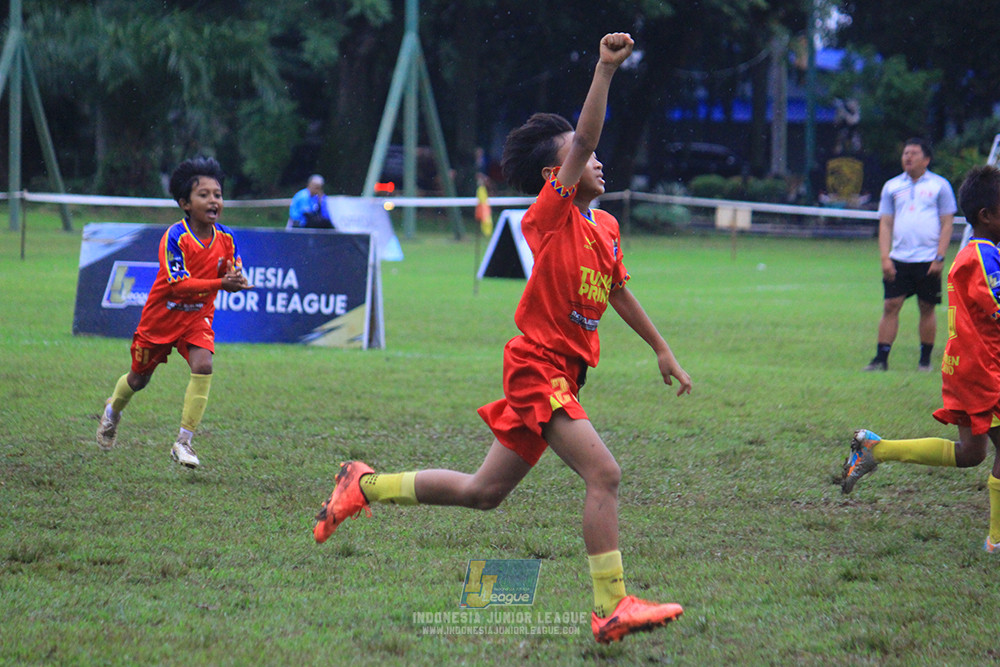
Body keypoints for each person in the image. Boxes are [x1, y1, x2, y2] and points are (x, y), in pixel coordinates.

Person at [311, 33, 693, 644]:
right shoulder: (551, 214)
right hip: (536, 367)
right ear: (555, 174)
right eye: (579, 154)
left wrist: (661, 348)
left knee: (483, 492)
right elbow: (588, 137)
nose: (596, 159)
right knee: (606, 475)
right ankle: (611, 606)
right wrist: (603, 69)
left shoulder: (609, 226)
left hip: (562, 375)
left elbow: (618, 292)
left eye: (590, 154)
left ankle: (364, 484)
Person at [843, 165, 1000, 552]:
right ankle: (996, 539)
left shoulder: (981, 254)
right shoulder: (982, 257)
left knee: (971, 454)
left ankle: (876, 449)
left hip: (969, 368)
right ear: (986, 216)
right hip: (984, 370)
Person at [96, 156, 253, 468]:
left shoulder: (226, 238)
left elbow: (232, 267)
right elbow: (179, 285)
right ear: (185, 203)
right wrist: (222, 282)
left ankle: (184, 443)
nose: (213, 200)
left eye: (218, 195)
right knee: (139, 380)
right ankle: (112, 412)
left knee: (203, 364)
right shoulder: (175, 237)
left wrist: (237, 276)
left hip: (197, 317)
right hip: (161, 318)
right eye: (204, 194)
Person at [865, 138, 957, 371]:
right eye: (906, 153)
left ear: (926, 159)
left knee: (927, 307)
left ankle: (925, 361)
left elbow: (947, 223)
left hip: (928, 259)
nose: (908, 157)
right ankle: (881, 359)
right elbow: (885, 223)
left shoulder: (940, 186)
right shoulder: (892, 186)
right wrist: (885, 257)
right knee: (890, 305)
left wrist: (939, 257)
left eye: (914, 153)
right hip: (900, 258)